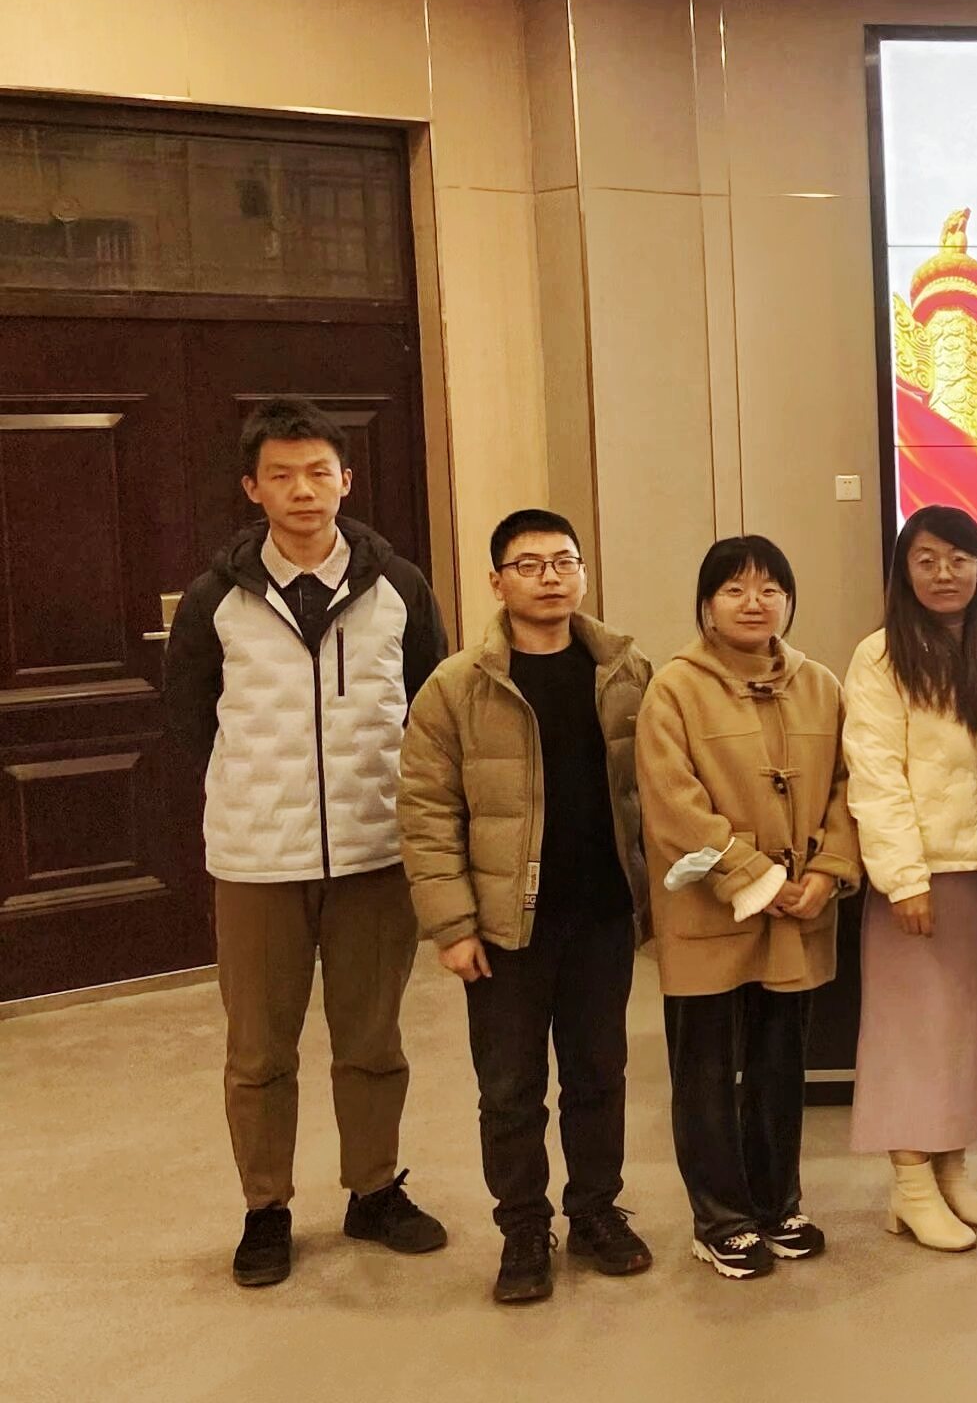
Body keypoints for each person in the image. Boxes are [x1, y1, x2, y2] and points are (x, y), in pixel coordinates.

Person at [161, 397, 452, 1288]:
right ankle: (266, 1210)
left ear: (346, 481)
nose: (302, 490)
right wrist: (256, 793)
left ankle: (374, 1190)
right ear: (253, 489)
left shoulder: (398, 587)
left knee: (372, 1040)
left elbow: (432, 708)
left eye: (318, 472)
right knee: (258, 1054)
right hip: (257, 861)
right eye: (281, 475)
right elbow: (190, 720)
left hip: (374, 852)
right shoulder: (214, 598)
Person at [399, 510, 653, 1304]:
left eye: (563, 562)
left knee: (599, 1074)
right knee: (510, 1089)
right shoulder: (457, 687)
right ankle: (522, 1229)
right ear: (496, 581)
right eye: (530, 565)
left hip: (601, 914)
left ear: (583, 573)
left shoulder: (624, 672)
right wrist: (452, 924)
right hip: (506, 927)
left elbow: (653, 792)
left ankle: (596, 1211)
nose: (550, 578)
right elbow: (427, 811)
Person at [636, 535, 860, 1279]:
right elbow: (673, 805)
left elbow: (847, 789)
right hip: (709, 910)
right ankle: (720, 1220)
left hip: (799, 909)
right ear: (706, 606)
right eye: (734, 589)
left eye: (770, 588)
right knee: (705, 1068)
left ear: (789, 601)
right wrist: (756, 873)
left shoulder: (821, 685)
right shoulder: (674, 689)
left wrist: (827, 872)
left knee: (779, 1064)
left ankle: (777, 1204)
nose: (753, 602)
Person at [842, 506, 977, 1256]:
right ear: (904, 570)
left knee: (972, 1029)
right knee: (912, 1031)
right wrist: (903, 879)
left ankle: (950, 1168)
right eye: (926, 560)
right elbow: (875, 774)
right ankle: (910, 1183)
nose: (944, 574)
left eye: (959, 559)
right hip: (922, 877)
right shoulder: (880, 656)